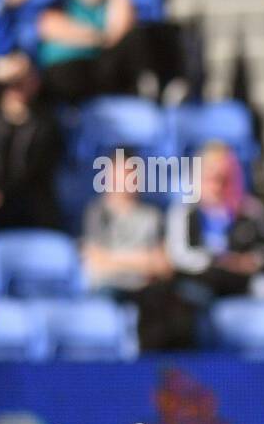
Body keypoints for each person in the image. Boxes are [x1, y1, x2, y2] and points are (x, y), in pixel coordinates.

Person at [81, 146, 197, 350]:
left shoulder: (152, 216)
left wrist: (115, 258)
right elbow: (95, 262)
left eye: (132, 173)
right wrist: (144, 260)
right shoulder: (96, 212)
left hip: (147, 290)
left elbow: (164, 266)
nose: (127, 180)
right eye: (122, 174)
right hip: (112, 289)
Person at [36, 0, 181, 102]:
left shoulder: (109, 4)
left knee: (148, 35)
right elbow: (49, 26)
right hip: (65, 69)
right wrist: (100, 37)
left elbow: (121, 32)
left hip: (100, 70)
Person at [0, 51, 61, 232]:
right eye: (12, 83)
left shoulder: (45, 122)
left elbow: (34, 169)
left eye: (23, 81)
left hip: (24, 195)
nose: (17, 88)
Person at [166, 142, 264, 303]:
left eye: (224, 179)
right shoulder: (184, 212)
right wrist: (221, 261)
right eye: (211, 178)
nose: (217, 186)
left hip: (243, 281)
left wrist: (254, 260)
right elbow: (179, 255)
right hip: (200, 280)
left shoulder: (251, 211)